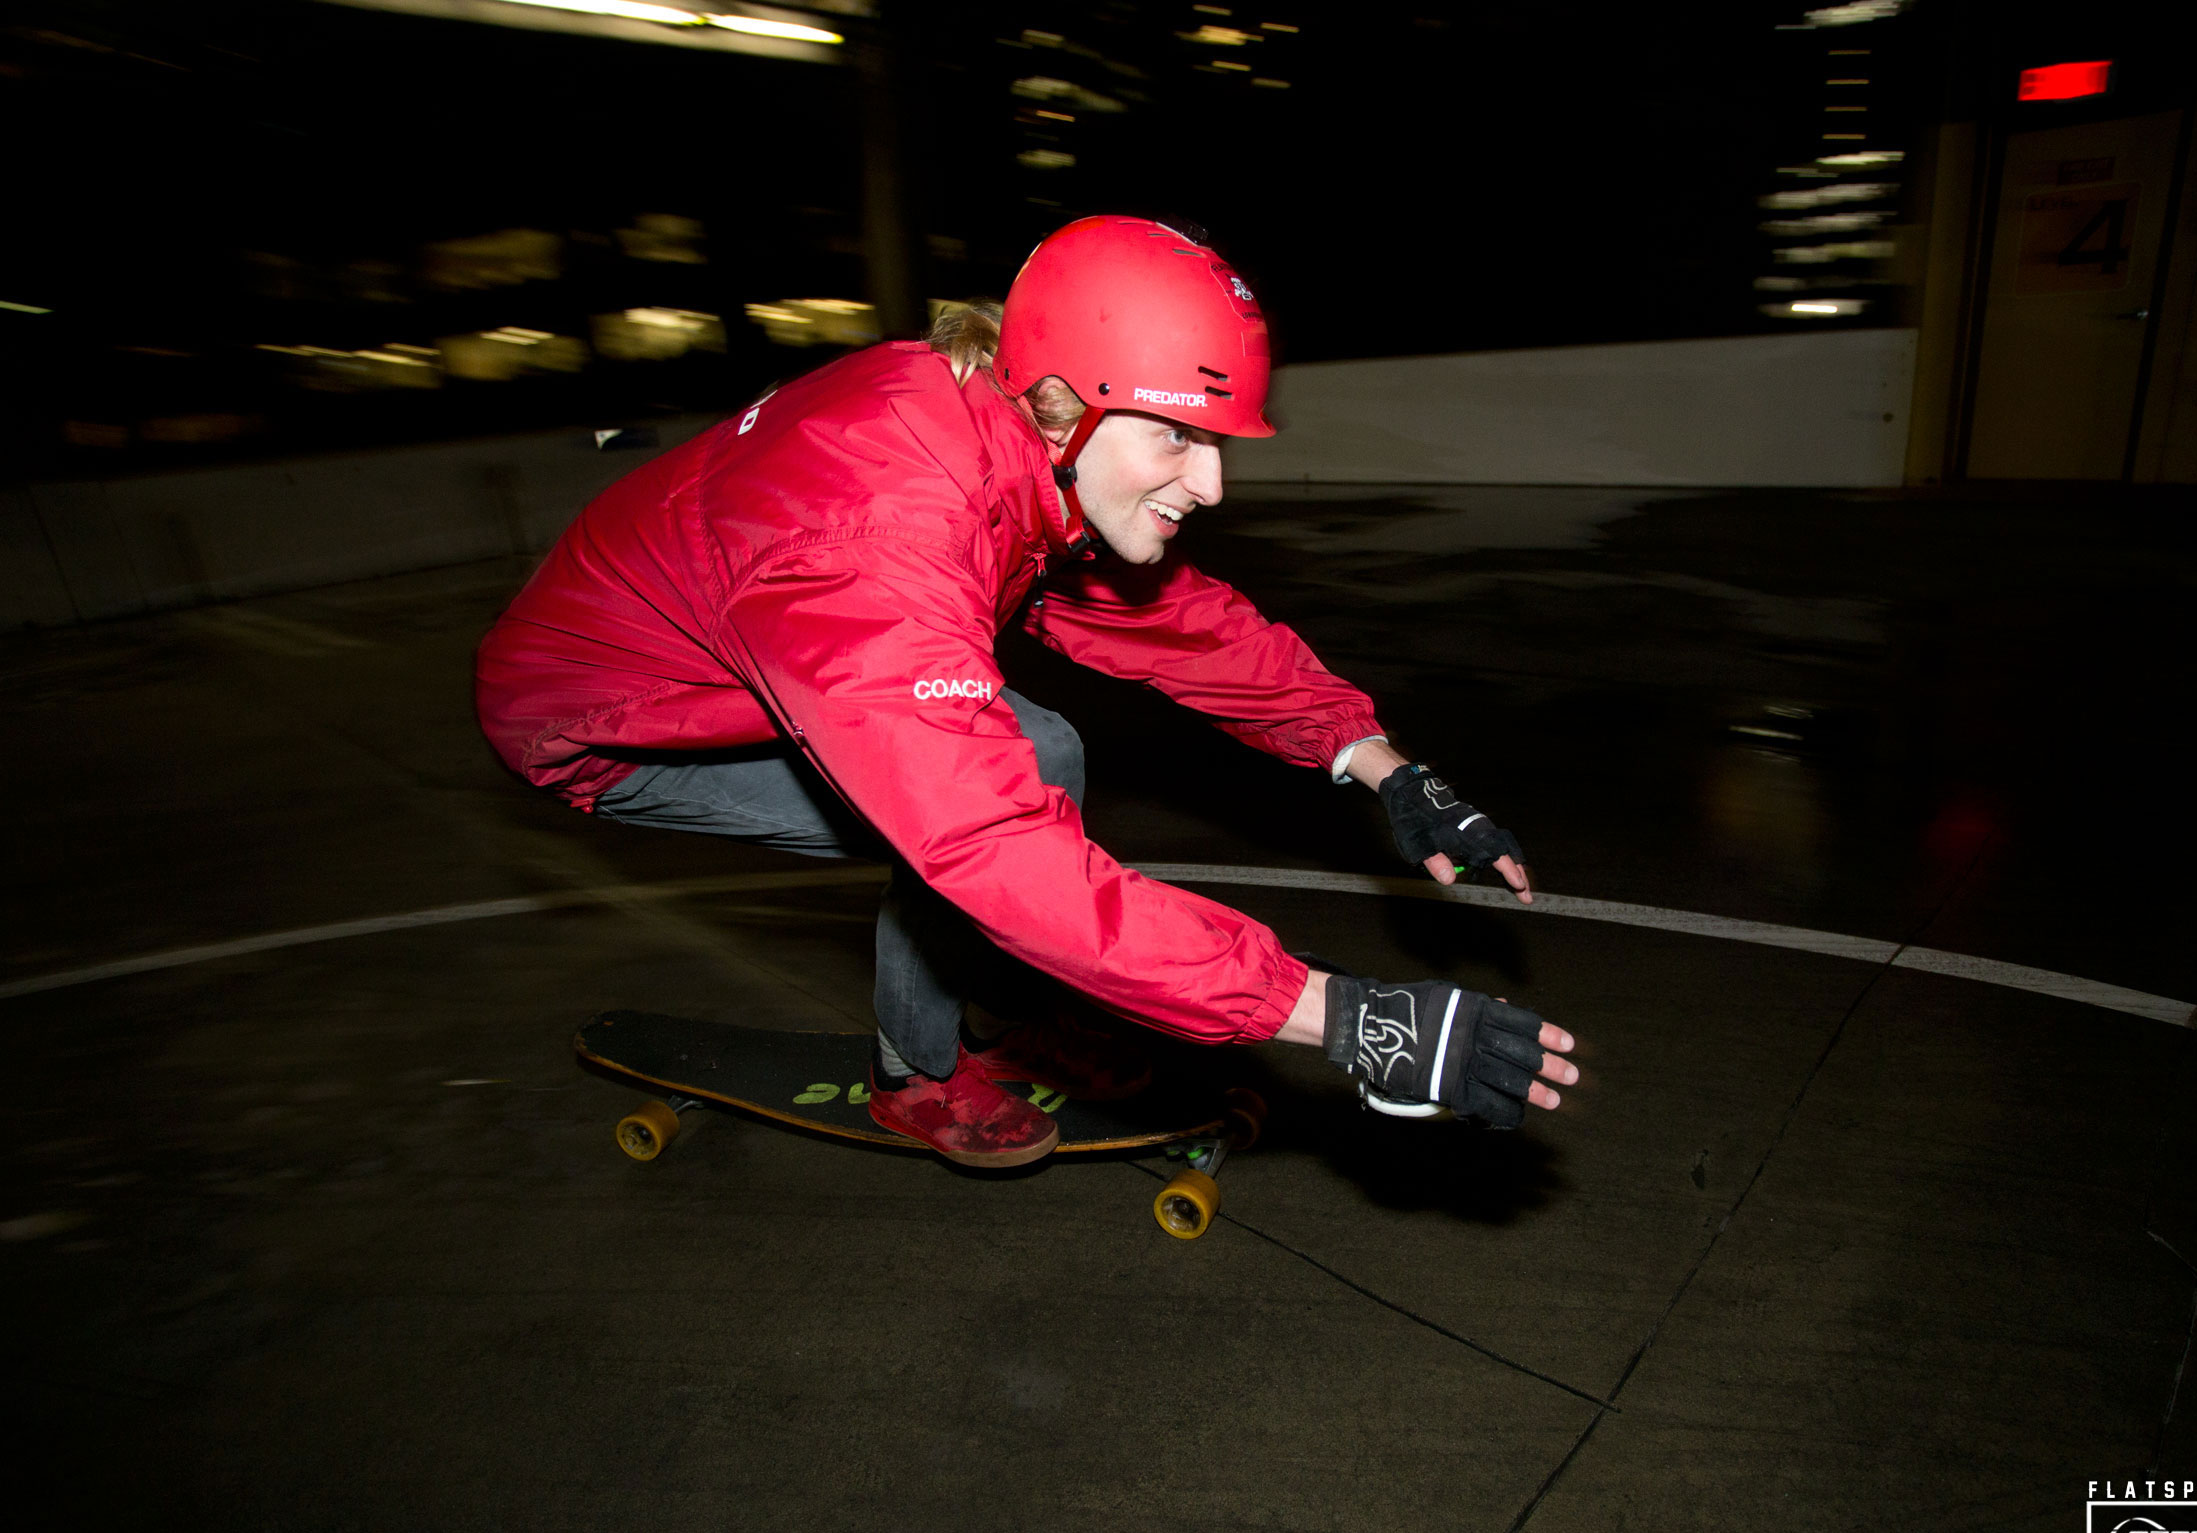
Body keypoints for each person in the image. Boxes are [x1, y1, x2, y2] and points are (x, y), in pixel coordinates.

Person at [476, 216, 1576, 1167]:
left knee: (1025, 752)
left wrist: (1379, 763)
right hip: (601, 723)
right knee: (980, 805)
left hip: (736, 644)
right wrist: (1342, 1014)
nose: (1212, 483)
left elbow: (1178, 625)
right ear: (1064, 401)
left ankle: (989, 1012)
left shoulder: (1003, 437)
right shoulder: (880, 533)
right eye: (1178, 437)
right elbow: (988, 843)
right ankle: (916, 1071)